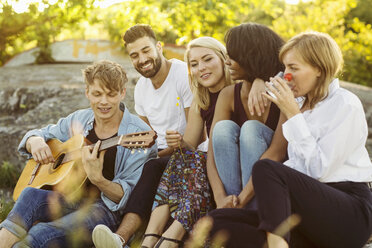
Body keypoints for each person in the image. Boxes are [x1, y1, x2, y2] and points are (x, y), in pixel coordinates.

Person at [210, 31, 372, 248]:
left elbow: (319, 171)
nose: (286, 75)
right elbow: (294, 167)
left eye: (293, 68)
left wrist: (293, 115)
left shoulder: (345, 104)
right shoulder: (299, 103)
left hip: (348, 213)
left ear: (319, 69)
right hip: (307, 218)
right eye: (285, 67)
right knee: (216, 221)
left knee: (265, 168)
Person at [0, 60, 157, 248]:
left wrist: (98, 179)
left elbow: (129, 199)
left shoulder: (137, 134)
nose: (104, 101)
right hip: (69, 200)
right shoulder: (79, 119)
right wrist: (35, 142)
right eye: (97, 94)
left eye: (111, 94)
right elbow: (40, 134)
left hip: (105, 210)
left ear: (122, 93)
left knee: (39, 234)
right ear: (87, 93)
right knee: (29, 196)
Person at [92, 24, 193, 248]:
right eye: (134, 55)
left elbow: (195, 135)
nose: (142, 59)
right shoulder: (141, 89)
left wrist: (157, 155)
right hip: (157, 155)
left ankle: (120, 238)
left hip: (186, 152)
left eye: (146, 50)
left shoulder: (183, 75)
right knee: (128, 167)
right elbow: (146, 139)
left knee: (151, 167)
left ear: (159, 46)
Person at [139, 36, 233, 248]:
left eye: (207, 59)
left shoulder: (238, 89)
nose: (202, 68)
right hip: (207, 163)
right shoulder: (201, 97)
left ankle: (169, 238)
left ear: (223, 58)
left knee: (193, 158)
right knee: (183, 154)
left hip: (228, 165)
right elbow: (190, 144)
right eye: (194, 64)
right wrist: (179, 142)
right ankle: (150, 237)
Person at [207, 22, 287, 211]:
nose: (227, 63)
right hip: (232, 194)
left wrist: (242, 200)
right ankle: (234, 211)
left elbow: (278, 152)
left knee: (251, 129)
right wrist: (220, 200)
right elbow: (212, 154)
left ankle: (252, 210)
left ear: (251, 57)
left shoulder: (283, 91)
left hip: (275, 179)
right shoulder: (228, 94)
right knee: (222, 129)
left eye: (233, 57)